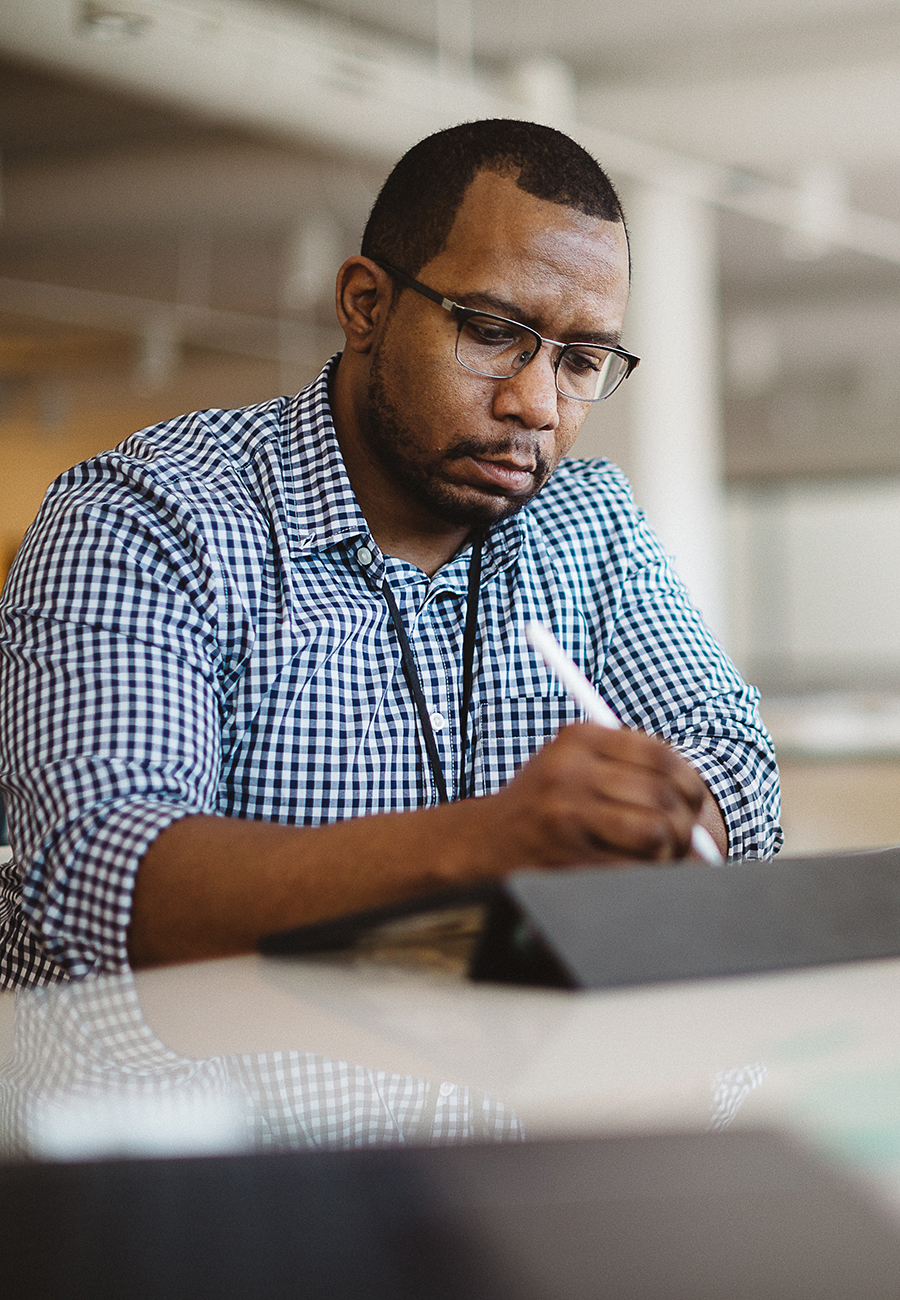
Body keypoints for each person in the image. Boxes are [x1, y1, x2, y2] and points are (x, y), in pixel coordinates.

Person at [0, 119, 781, 988]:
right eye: (490, 331)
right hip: (215, 1114)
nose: (537, 405)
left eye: (582, 359)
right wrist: (486, 844)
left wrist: (657, 812)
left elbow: (736, 765)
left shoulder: (585, 519)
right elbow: (108, 881)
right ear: (366, 304)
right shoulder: (149, 516)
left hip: (510, 1104)